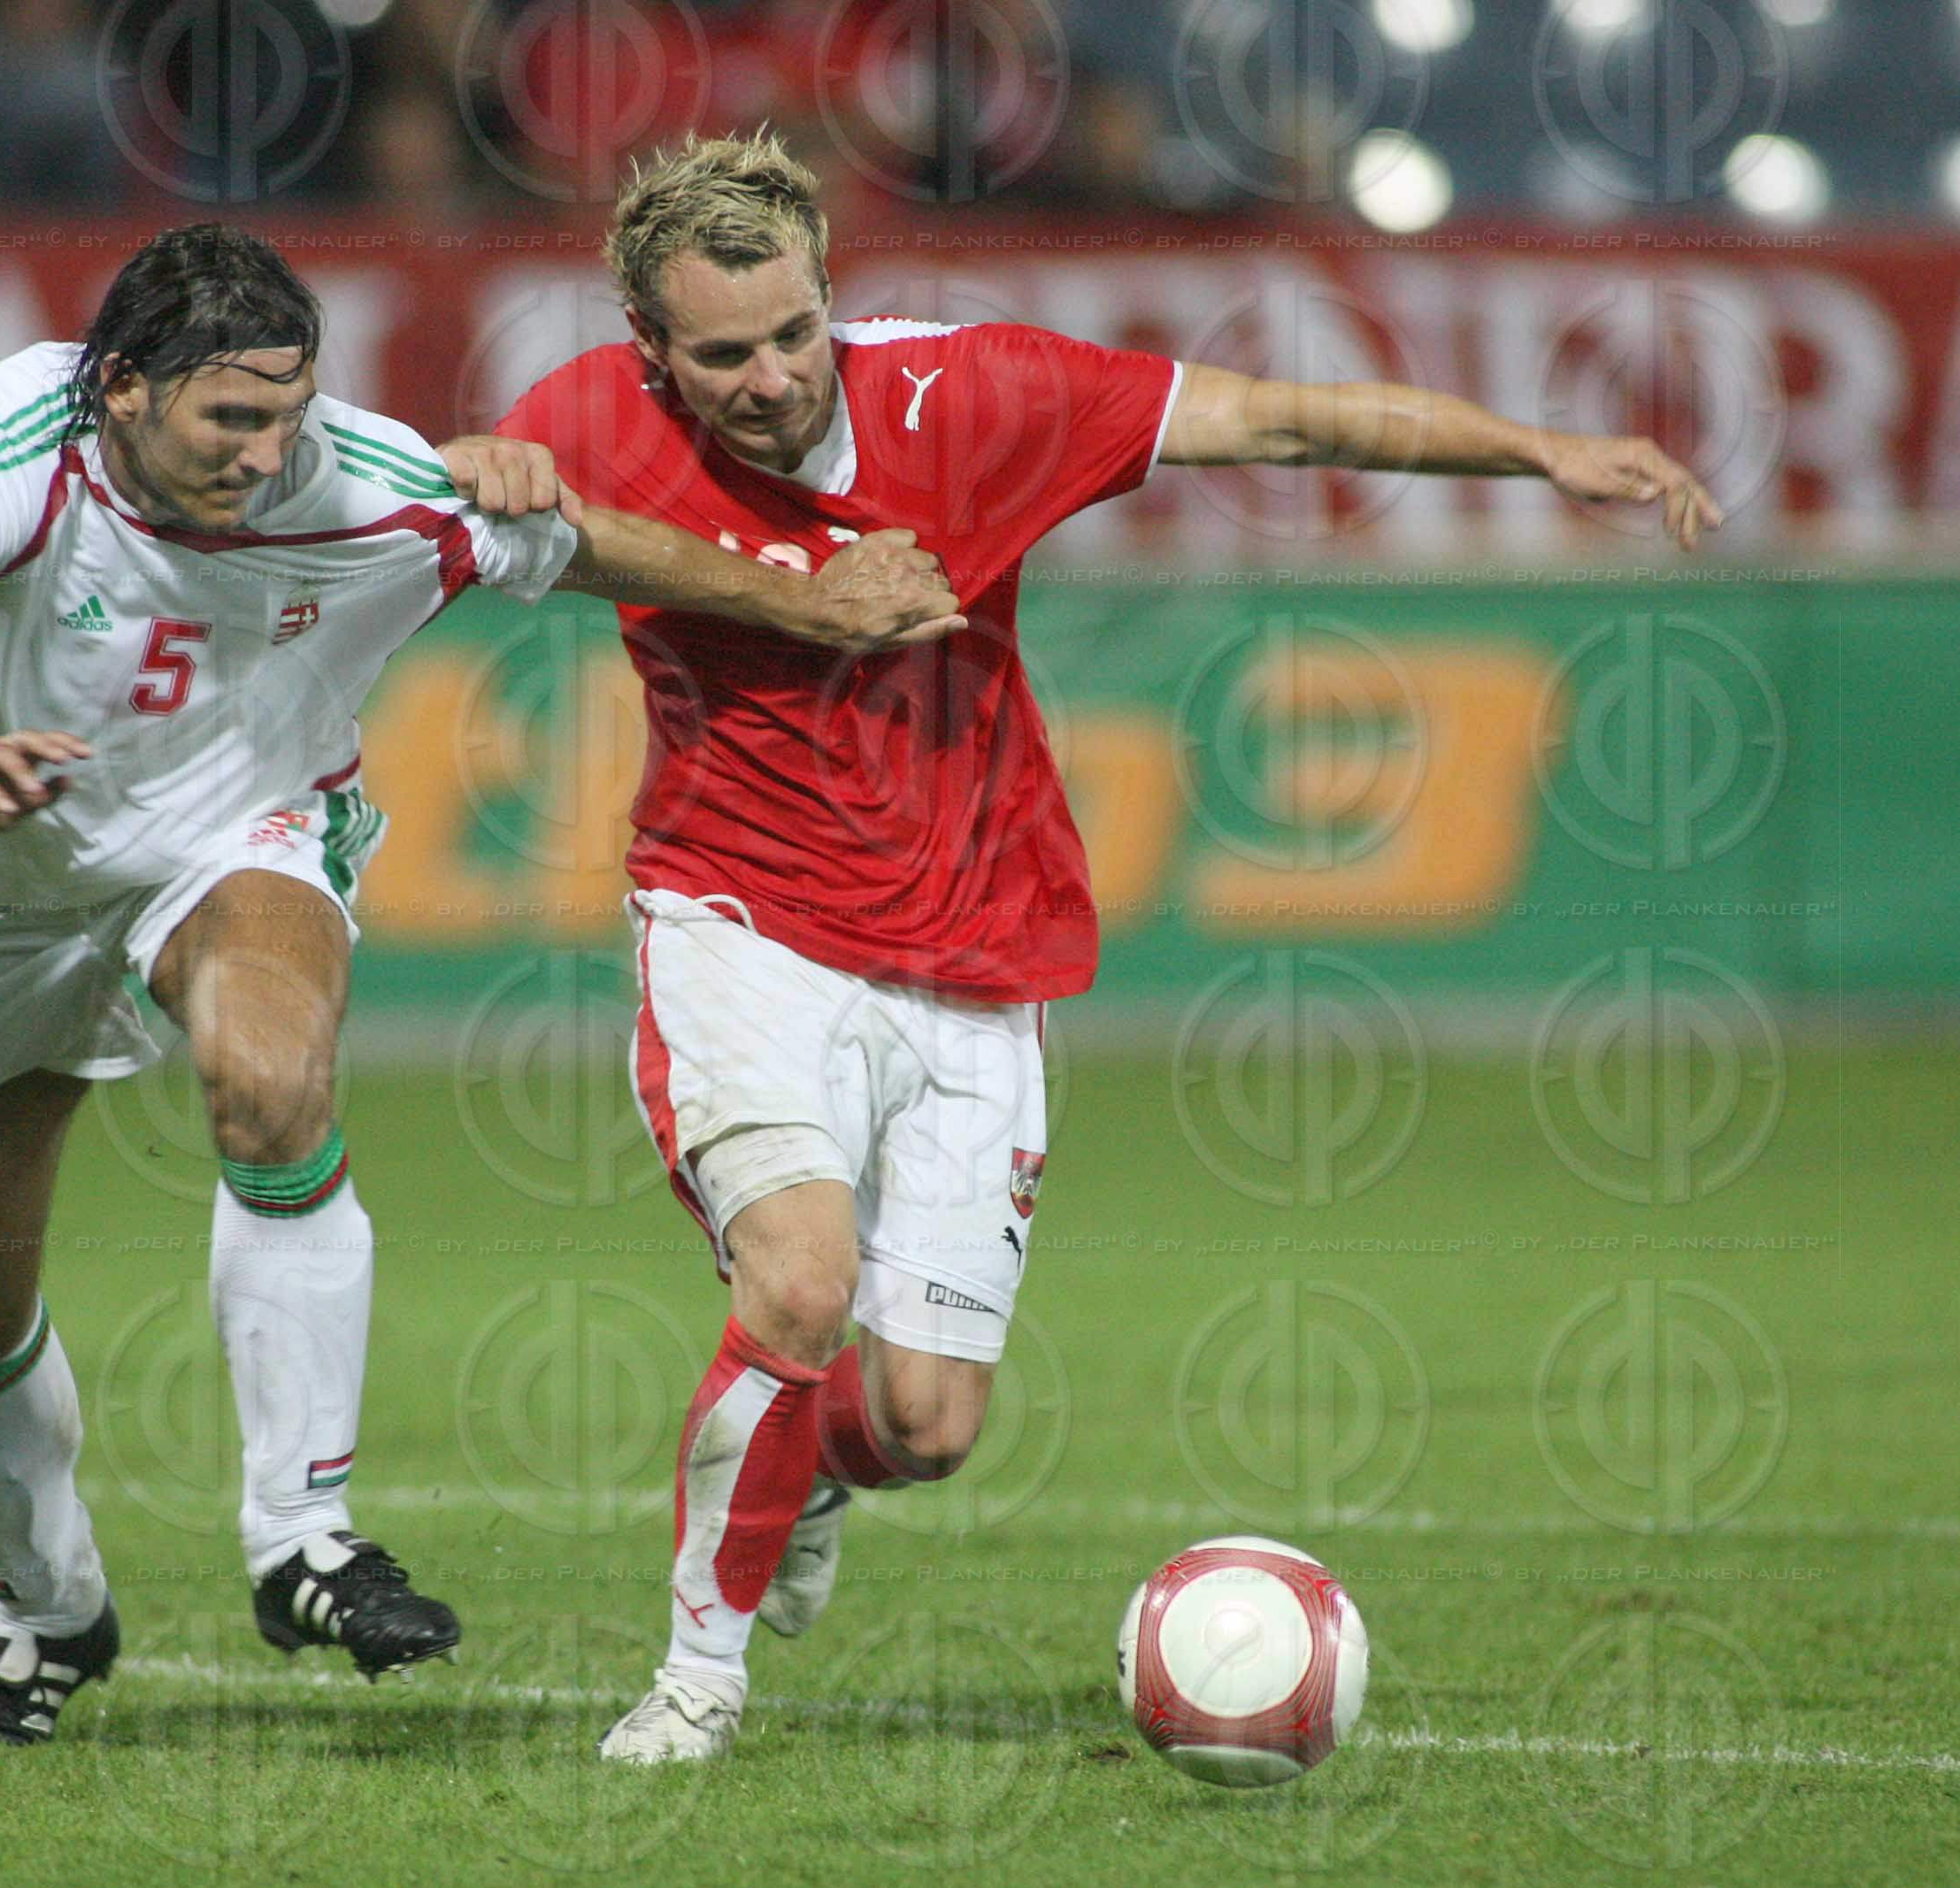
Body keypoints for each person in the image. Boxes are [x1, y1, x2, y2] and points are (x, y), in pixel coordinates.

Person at [495, 130, 1726, 1762]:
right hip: (740, 924)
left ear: (828, 297)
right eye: (721, 353)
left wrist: (1542, 451)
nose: (771, 375)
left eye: (794, 332)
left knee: (926, 1426)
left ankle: (796, 1476)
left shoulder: (980, 397)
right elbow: (439, 494)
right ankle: (695, 1680)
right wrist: (485, 476)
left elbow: (1277, 417)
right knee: (798, 1281)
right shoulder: (584, 422)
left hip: (970, 940)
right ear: (652, 350)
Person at [0, 221, 964, 1746]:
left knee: (270, 1074)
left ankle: (302, 1538)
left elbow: (586, 543)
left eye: (290, 411)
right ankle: (44, 1608)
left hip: (238, 832)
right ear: (121, 390)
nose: (272, 452)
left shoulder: (358, 478)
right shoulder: (20, 438)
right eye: (233, 419)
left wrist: (809, 600)